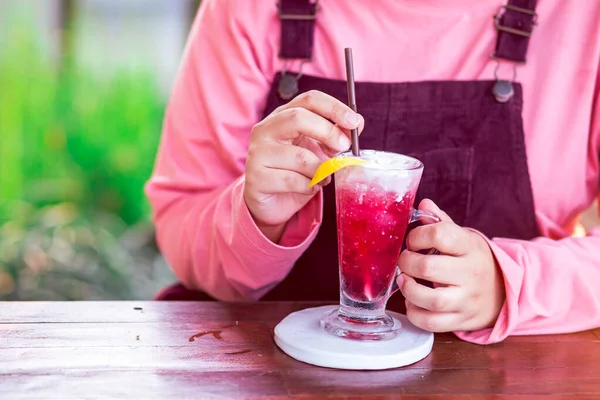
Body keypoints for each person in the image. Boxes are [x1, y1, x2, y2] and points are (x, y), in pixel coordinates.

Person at [145, 0, 600, 345]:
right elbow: (181, 220)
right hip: (269, 366)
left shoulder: (584, 16)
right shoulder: (250, 9)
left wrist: (511, 284)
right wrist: (256, 218)